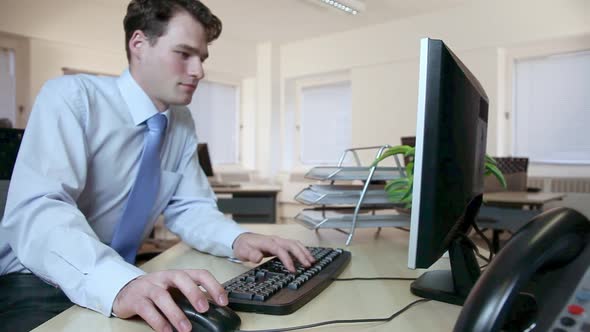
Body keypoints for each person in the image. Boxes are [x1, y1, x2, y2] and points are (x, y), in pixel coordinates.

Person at [0, 1, 315, 332]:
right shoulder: (73, 98)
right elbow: (40, 210)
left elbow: (191, 208)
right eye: (184, 54)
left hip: (122, 274)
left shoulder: (179, 122)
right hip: (37, 278)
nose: (199, 71)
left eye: (202, 58)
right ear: (139, 44)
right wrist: (117, 281)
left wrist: (238, 239)